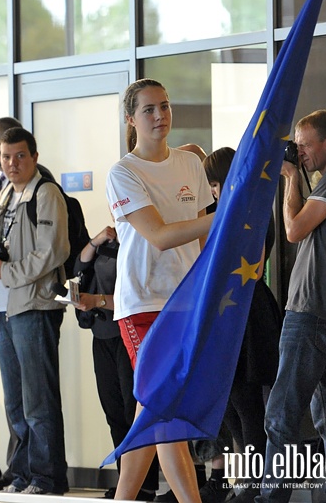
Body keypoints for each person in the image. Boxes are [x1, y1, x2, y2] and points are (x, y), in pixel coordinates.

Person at [105, 79, 213, 502]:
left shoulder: (190, 165)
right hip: (144, 304)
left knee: (154, 412)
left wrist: (209, 290)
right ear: (131, 119)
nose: (159, 116)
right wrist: (224, 217)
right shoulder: (123, 172)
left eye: (165, 106)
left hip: (186, 304)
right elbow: (161, 235)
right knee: (164, 411)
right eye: (148, 109)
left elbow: (201, 244)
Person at [256, 109, 326, 503]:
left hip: (311, 314)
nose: (298, 153)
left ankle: (271, 498)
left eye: (304, 145)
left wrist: (290, 180)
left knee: (282, 416)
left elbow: (293, 229)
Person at [0, 126, 71, 495]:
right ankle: (23, 475)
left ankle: (48, 479)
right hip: (4, 309)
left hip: (34, 306)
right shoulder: (5, 195)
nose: (12, 163)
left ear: (34, 156)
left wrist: (7, 272)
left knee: (39, 400)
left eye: (20, 156)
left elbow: (53, 252)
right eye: (6, 157)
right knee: (15, 402)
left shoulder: (46, 194)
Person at [201, 147, 281, 502]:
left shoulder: (252, 209)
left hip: (245, 309)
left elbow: (251, 260)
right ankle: (248, 480)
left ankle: (255, 483)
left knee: (247, 403)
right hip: (226, 311)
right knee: (230, 404)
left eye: (215, 183)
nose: (214, 191)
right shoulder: (218, 212)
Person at [71, 226, 160, 501]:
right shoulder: (107, 242)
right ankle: (126, 481)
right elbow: (79, 265)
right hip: (102, 334)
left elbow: (136, 295)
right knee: (113, 411)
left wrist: (96, 300)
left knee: (132, 409)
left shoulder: (142, 242)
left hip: (129, 334)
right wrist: (96, 240)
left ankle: (143, 485)